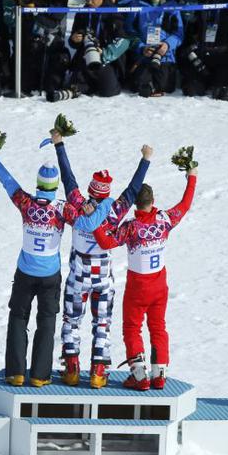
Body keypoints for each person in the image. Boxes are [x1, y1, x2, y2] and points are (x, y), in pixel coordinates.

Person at [51, 132, 151, 388]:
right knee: (102, 322)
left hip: (78, 275)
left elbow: (68, 178)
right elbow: (133, 190)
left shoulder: (76, 205)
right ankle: (98, 372)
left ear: (89, 190)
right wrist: (145, 160)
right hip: (103, 278)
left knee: (72, 320)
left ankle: (71, 369)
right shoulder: (114, 211)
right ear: (106, 194)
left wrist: (59, 145)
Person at [93, 163, 198, 391]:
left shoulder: (131, 227)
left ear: (134, 204)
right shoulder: (164, 220)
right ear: (153, 200)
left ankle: (140, 376)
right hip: (159, 286)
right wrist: (191, 177)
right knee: (158, 327)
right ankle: (159, 375)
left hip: (137, 287)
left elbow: (106, 242)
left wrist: (94, 223)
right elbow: (185, 205)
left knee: (132, 328)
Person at [0, 145, 72, 388]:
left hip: (25, 272)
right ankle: (40, 375)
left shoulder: (26, 203)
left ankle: (15, 373)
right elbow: (84, 221)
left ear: (38, 183)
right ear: (55, 186)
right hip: (50, 275)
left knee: (18, 318)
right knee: (47, 321)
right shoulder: (62, 208)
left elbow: (7, 181)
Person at [126, 0, 184, 97]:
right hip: (144, 54)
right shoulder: (136, 5)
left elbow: (179, 33)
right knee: (138, 85)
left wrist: (167, 45)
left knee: (165, 85)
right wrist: (141, 48)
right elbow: (129, 31)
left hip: (165, 55)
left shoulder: (172, 6)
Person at [66, 0, 128, 97]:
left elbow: (123, 40)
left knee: (108, 91)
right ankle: (88, 84)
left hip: (106, 58)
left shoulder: (113, 12)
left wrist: (105, 53)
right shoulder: (82, 12)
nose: (89, 2)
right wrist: (74, 39)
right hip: (85, 56)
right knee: (74, 86)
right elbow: (73, 41)